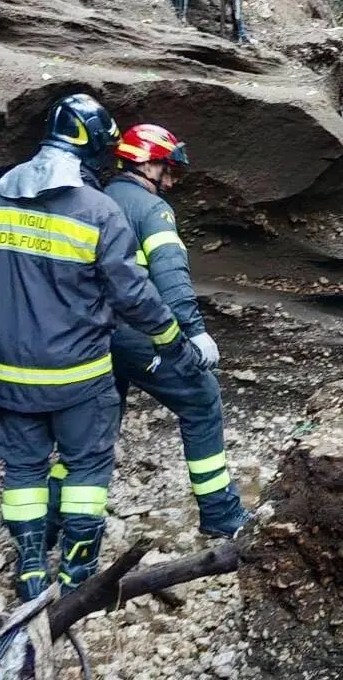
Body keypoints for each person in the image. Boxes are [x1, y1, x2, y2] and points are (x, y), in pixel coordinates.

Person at [0, 93, 203, 602]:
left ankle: (31, 570)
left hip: (12, 377)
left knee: (23, 473)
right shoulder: (100, 212)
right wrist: (176, 342)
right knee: (86, 468)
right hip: (80, 379)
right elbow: (135, 296)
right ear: (93, 152)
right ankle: (77, 574)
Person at [103, 123, 251, 538]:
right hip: (135, 331)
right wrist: (194, 331)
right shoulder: (152, 211)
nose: (170, 179)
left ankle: (62, 525)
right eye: (167, 168)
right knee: (202, 400)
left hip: (90, 334)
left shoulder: (94, 200)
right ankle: (221, 513)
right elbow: (170, 273)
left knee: (95, 430)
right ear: (146, 163)